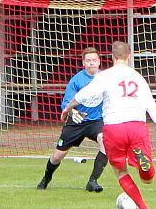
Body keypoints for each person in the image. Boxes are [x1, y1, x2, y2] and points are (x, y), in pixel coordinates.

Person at [61, 41, 156, 209]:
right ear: (129, 56)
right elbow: (153, 110)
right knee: (148, 179)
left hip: (114, 128)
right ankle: (144, 165)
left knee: (120, 171)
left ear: (113, 57)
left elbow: (82, 96)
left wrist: (67, 109)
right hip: (137, 126)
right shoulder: (138, 77)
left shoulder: (105, 76)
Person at [37, 47, 109, 192]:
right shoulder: (76, 80)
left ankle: (93, 181)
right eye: (88, 61)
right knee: (58, 156)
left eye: (94, 60)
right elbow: (66, 104)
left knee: (106, 141)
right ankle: (46, 178)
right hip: (76, 122)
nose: (91, 63)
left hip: (96, 121)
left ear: (99, 62)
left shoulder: (106, 78)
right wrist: (73, 112)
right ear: (83, 63)